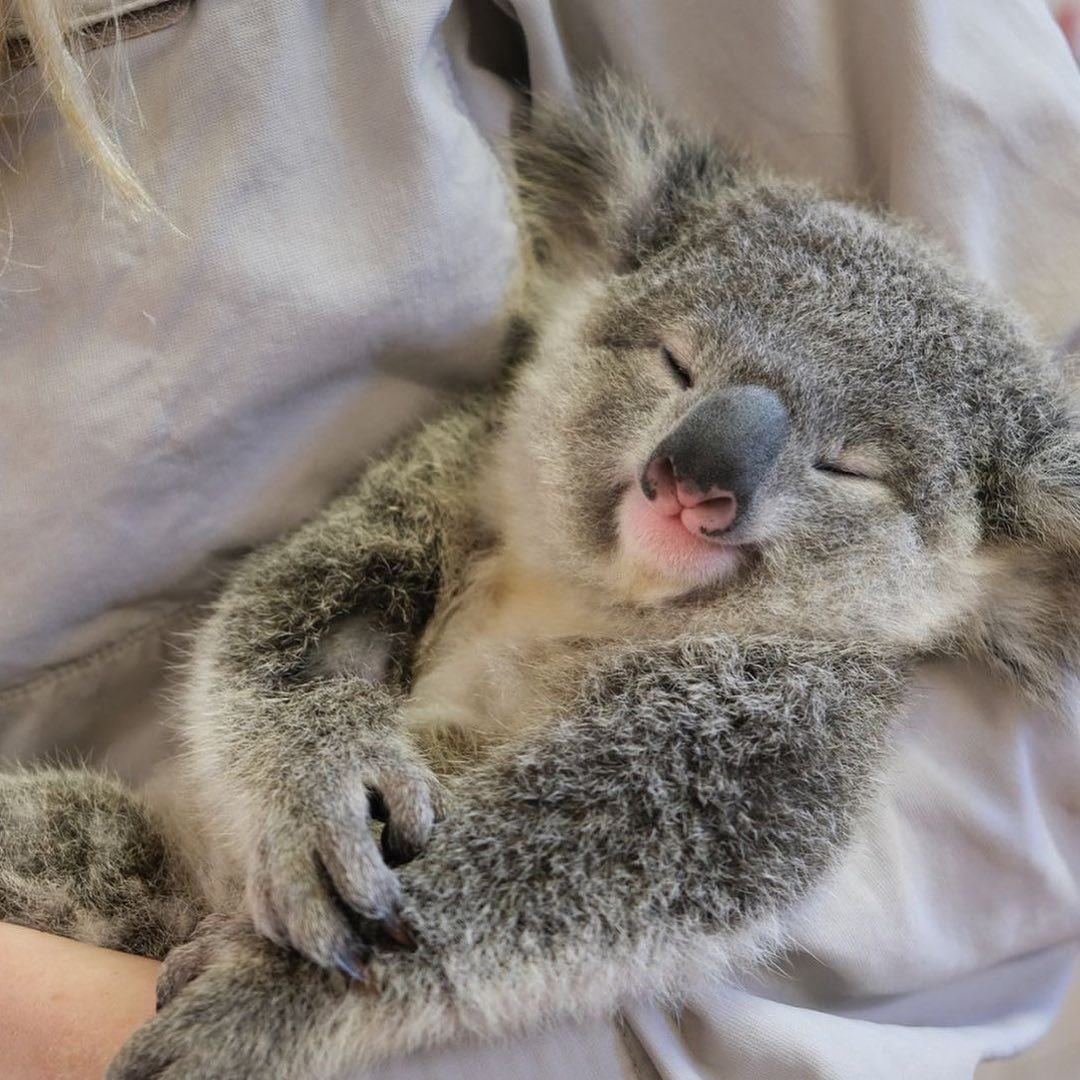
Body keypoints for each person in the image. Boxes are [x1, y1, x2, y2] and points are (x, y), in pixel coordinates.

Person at [2, 1, 1079, 1077]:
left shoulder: (797, 687)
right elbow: (306, 620)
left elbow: (654, 867)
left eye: (846, 471)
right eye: (673, 369)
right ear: (591, 279)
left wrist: (306, 999)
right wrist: (303, 754)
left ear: (999, 569)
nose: (698, 470)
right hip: (142, 862)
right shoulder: (479, 465)